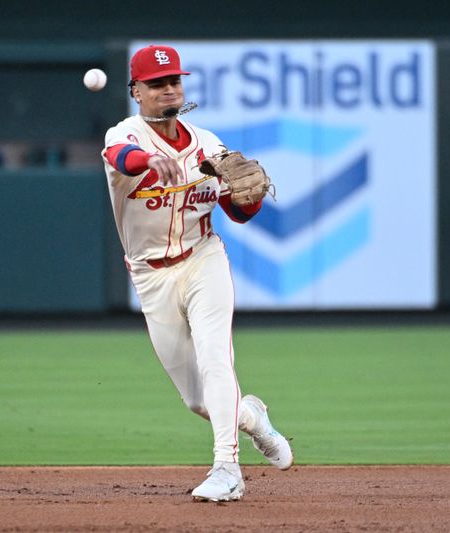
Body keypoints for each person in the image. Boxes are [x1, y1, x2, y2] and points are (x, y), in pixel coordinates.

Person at [101, 44, 293, 502]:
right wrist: (149, 160)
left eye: (174, 82)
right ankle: (251, 417)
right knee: (198, 400)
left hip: (203, 257)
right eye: (157, 84)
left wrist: (247, 199)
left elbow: (239, 212)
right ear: (136, 91)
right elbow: (121, 159)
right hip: (151, 275)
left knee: (215, 357)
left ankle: (227, 468)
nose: (169, 90)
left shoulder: (209, 144)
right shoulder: (122, 135)